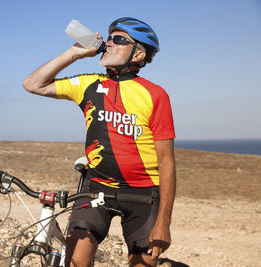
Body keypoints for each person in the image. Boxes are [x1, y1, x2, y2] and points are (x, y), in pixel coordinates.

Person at [23, 17, 176, 267]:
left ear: (138, 54)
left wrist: (163, 223)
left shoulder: (155, 95)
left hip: (143, 194)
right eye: (109, 37)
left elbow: (167, 162)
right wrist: (73, 53)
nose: (108, 43)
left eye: (118, 39)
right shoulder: (89, 84)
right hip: (96, 188)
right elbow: (32, 84)